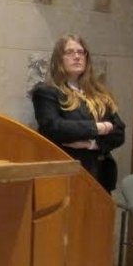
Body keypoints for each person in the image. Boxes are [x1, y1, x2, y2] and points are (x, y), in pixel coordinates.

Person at [30, 34, 125, 192]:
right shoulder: (47, 92)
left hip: (102, 175)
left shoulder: (99, 94)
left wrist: (92, 144)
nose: (77, 56)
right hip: (69, 174)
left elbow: (119, 132)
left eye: (81, 52)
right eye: (69, 52)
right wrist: (99, 128)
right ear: (59, 59)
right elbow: (54, 128)